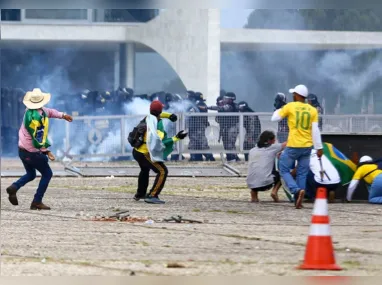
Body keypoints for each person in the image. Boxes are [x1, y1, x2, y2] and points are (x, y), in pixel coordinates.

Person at [5, 88, 73, 210]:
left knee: (31, 174)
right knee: (47, 173)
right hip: (32, 152)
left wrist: (63, 115)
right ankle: (37, 201)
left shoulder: (31, 111)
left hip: (22, 150)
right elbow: (37, 138)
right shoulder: (35, 119)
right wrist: (46, 151)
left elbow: (50, 112)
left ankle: (14, 187)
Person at [271, 84, 323, 209]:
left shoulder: (290, 107)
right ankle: (298, 199)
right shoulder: (312, 110)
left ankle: (295, 190)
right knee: (302, 173)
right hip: (307, 146)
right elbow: (315, 131)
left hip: (293, 145)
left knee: (283, 169)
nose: (292, 95)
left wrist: (281, 108)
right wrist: (319, 148)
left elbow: (274, 118)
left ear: (298, 95)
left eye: (294, 93)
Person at [132, 100, 188, 204]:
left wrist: (170, 115)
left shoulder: (148, 117)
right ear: (160, 111)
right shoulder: (157, 125)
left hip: (136, 151)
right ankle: (152, 195)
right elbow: (161, 143)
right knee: (162, 171)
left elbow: (158, 114)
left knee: (145, 169)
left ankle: (140, 194)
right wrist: (177, 138)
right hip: (144, 153)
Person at [246, 130, 286, 203]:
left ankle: (254, 196)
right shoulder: (272, 147)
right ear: (269, 141)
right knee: (282, 173)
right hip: (265, 184)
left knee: (256, 171)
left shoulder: (252, 150)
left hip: (250, 183)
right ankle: (274, 191)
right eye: (274, 139)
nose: (275, 141)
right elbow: (287, 144)